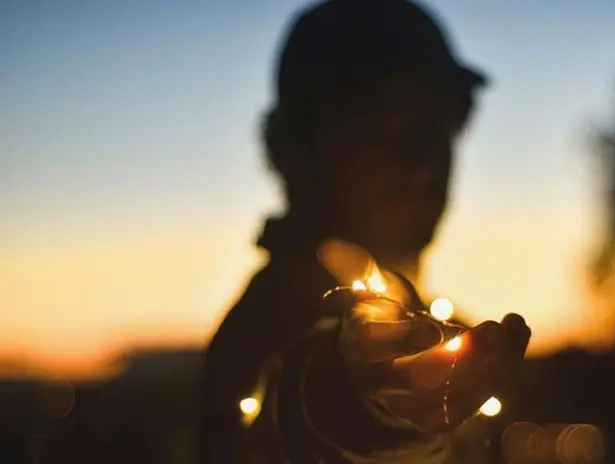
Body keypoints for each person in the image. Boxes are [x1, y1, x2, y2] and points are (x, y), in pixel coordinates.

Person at [198, 1, 530, 463]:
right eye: (376, 127)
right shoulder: (272, 332)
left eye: (439, 123)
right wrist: (361, 411)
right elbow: (295, 419)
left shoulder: (438, 335)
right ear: (292, 149)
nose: (419, 162)